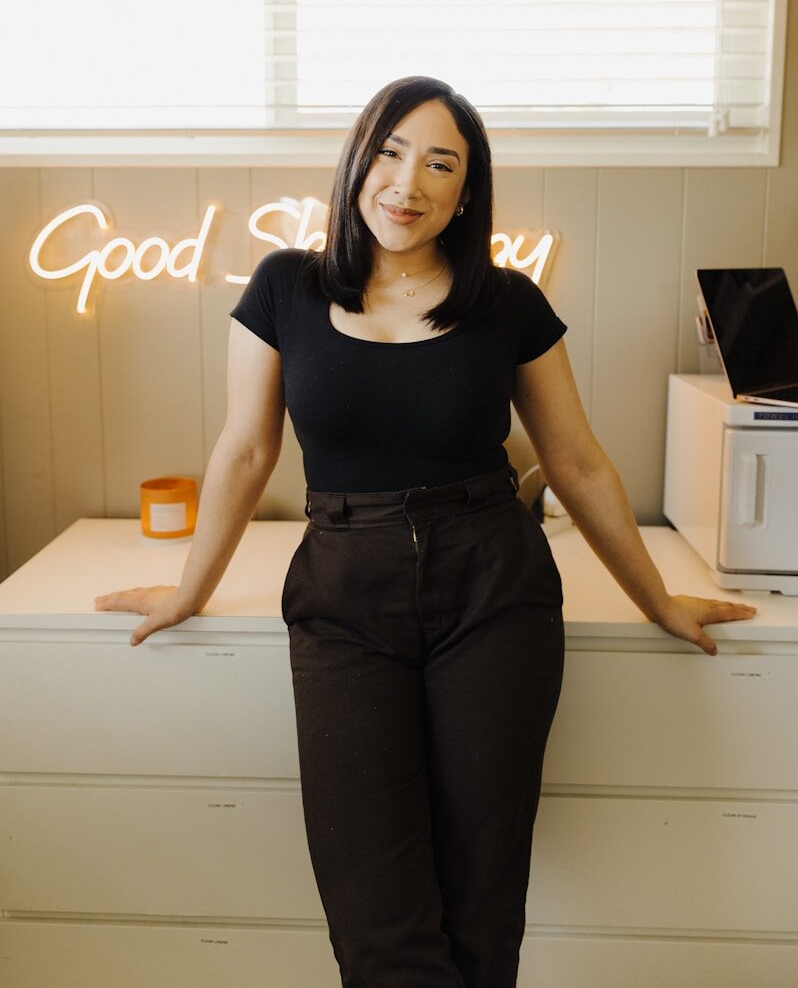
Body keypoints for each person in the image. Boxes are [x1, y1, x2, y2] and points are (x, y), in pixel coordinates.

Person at [94, 74, 757, 988]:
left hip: (494, 592)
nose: (409, 181)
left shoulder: (507, 302)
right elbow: (244, 453)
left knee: (484, 901)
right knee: (374, 912)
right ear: (359, 163)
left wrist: (658, 600)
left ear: (465, 192)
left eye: (441, 163)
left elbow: (578, 463)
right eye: (392, 152)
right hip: (343, 599)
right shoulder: (286, 286)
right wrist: (187, 592)